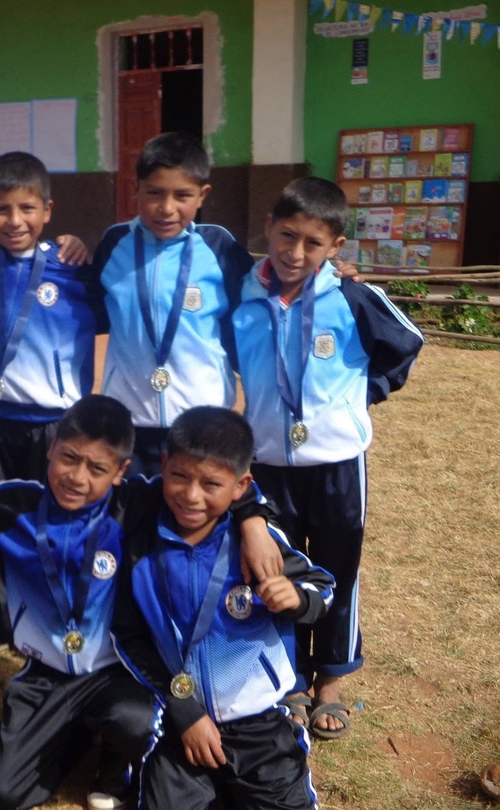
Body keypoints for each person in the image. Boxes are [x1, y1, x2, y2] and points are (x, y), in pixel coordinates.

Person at [0, 395, 281, 810]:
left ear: (120, 472)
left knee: (135, 721)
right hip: (47, 672)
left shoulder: (137, 504)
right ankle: (74, 736)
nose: (78, 477)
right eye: (69, 458)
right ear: (51, 447)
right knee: (3, 794)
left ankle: (116, 765)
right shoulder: (13, 506)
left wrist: (254, 521)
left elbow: (217, 478)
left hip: (119, 672)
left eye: (97, 468)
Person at [232, 176, 423, 739]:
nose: (294, 252)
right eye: (285, 236)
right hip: (267, 461)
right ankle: (287, 680)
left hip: (339, 463)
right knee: (276, 568)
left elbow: (407, 343)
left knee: (339, 568)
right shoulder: (242, 298)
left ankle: (331, 680)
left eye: (312, 243)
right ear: (267, 228)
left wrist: (362, 398)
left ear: (335, 247)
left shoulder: (352, 296)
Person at [113, 406, 335, 810]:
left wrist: (299, 598)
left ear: (241, 486)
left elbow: (324, 588)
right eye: (179, 475)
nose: (191, 495)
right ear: (163, 464)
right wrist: (184, 711)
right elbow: (127, 634)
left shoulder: (259, 545)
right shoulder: (140, 541)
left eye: (211, 483)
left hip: (260, 722)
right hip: (182, 718)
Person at [92, 132, 254, 478]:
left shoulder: (219, 247)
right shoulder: (114, 243)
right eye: (154, 193)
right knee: (134, 520)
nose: (166, 208)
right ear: (135, 189)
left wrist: (334, 274)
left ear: (202, 195)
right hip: (130, 419)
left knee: (196, 515)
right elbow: (85, 308)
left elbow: (268, 292)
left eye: (182, 195)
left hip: (205, 417)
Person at [0, 151, 104, 487]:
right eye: (1, 209)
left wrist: (78, 244)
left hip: (55, 426)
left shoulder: (73, 268)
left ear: (48, 210)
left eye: (27, 208)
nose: (14, 221)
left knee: (48, 514)